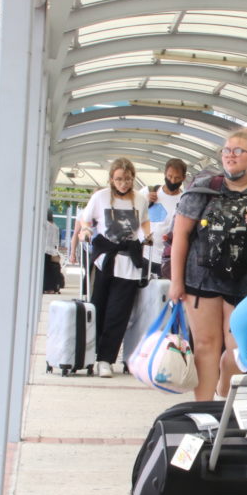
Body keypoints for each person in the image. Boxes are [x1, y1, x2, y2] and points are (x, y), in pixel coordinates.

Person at [167, 129, 247, 401]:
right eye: (227, 150)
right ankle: (204, 411)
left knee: (236, 350)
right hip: (200, 281)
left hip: (244, 284)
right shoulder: (203, 189)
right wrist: (176, 281)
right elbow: (180, 235)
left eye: (237, 151)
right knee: (206, 346)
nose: (230, 155)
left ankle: (222, 395)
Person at [69, 158, 151, 378]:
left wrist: (147, 235)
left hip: (129, 264)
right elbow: (86, 221)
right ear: (112, 179)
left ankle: (106, 358)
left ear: (132, 178)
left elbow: (144, 222)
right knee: (98, 308)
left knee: (119, 313)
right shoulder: (101, 197)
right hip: (105, 260)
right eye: (119, 179)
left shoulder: (140, 200)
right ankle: (91, 354)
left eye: (127, 179)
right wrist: (85, 232)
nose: (123, 183)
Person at [145, 158, 186, 277]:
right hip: (146, 255)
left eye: (177, 178)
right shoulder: (150, 192)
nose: (172, 180)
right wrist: (145, 202)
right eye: (170, 176)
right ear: (164, 174)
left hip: (169, 258)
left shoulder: (185, 199)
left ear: (183, 178)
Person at [42, 209, 64, 293]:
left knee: (45, 270)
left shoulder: (45, 225)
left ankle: (46, 288)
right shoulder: (55, 226)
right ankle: (51, 288)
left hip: (44, 250)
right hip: (52, 251)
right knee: (50, 271)